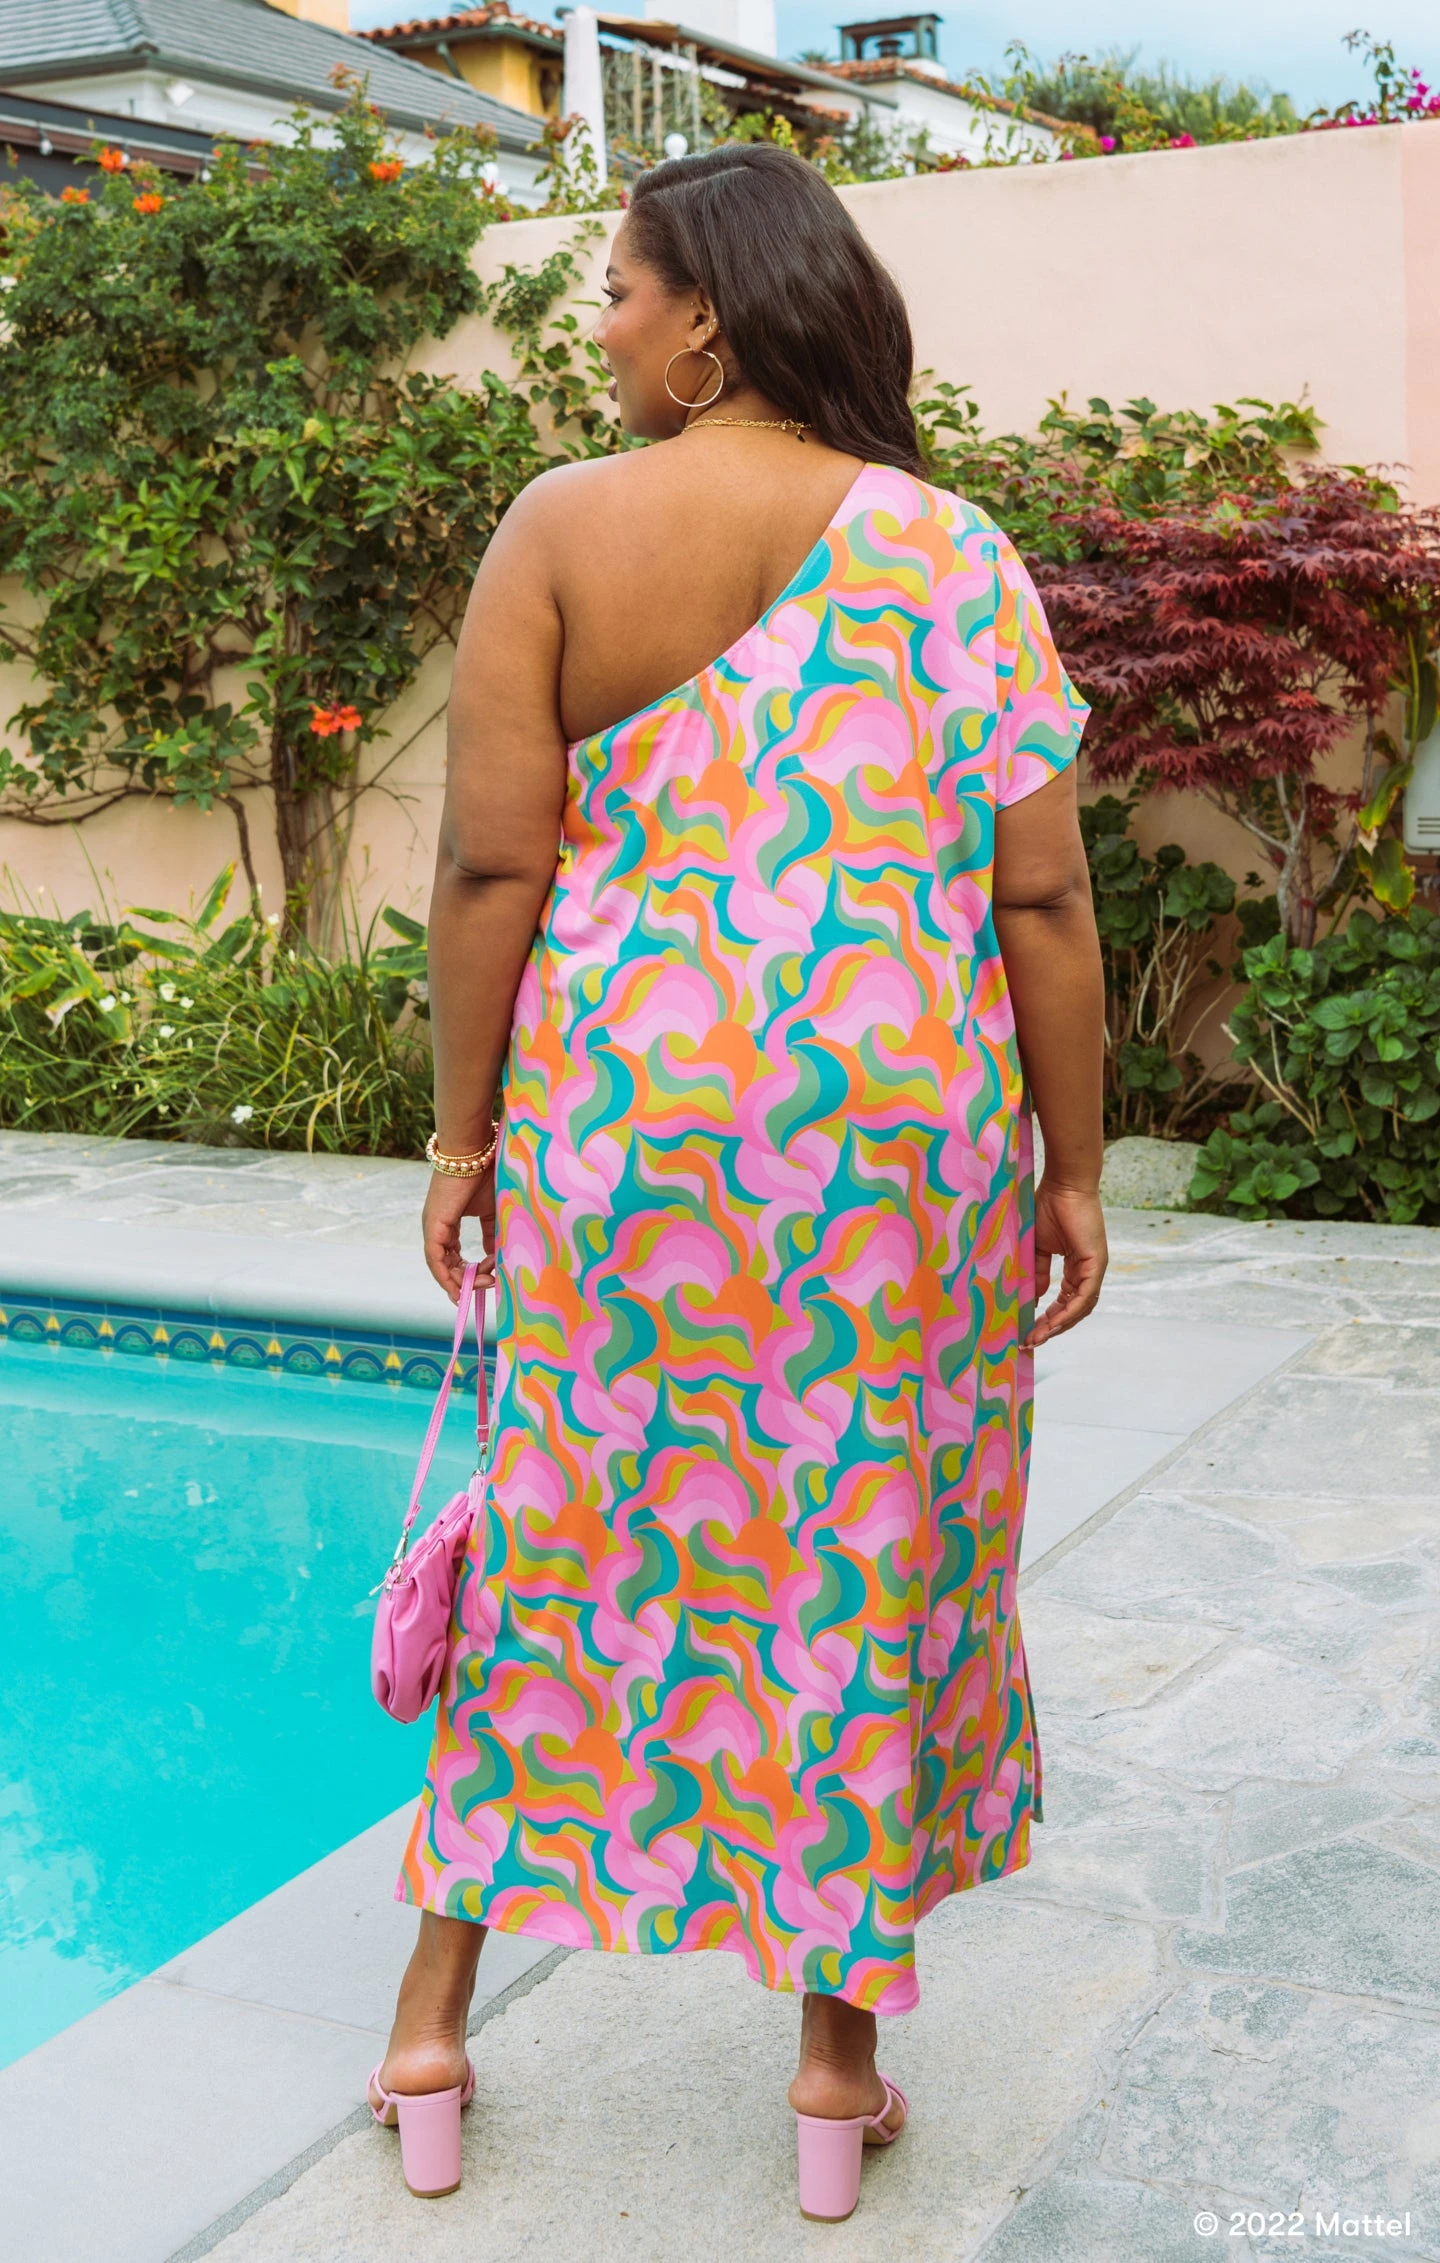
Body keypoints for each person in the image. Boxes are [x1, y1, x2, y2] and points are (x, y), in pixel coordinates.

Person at [366, 141, 1107, 2223]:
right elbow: (1043, 898)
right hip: (894, 1143)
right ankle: (831, 2073)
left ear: (706, 315)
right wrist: (1073, 1167)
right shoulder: (953, 550)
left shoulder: (561, 528)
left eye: (619, 289)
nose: (602, 324)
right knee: (864, 1540)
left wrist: (463, 1138)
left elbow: (490, 865)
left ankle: (430, 2026)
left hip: (632, 1129)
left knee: (562, 1535)